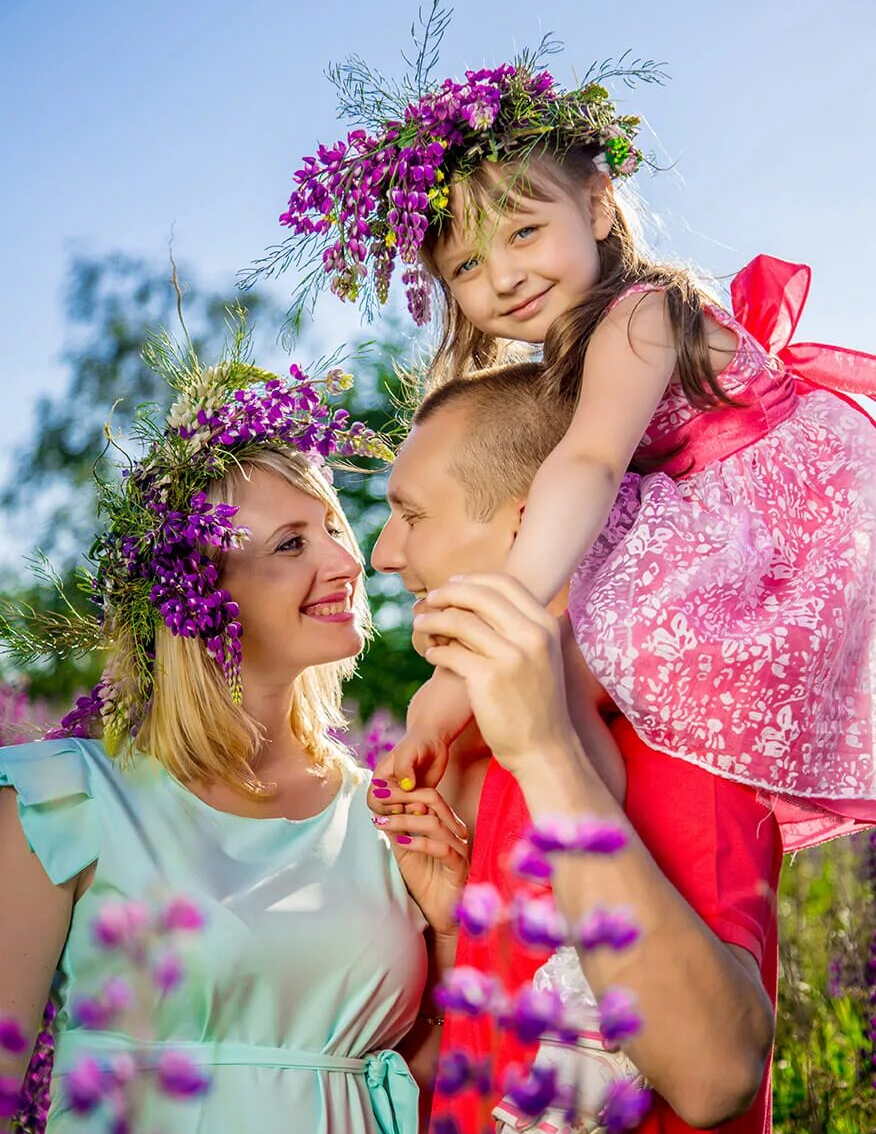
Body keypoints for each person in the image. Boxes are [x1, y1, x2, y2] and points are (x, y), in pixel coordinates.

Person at [272, 48, 876, 846]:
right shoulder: (572, 356)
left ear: (596, 206)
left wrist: (488, 632)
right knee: (586, 629)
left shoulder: (639, 315)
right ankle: (546, 808)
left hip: (807, 524)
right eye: (469, 264)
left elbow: (587, 465)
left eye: (525, 230)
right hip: (728, 527)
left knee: (610, 627)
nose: (506, 275)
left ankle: (607, 842)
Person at [0, 335, 467, 1134]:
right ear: (203, 589)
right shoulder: (67, 799)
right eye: (291, 542)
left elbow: (442, 1092)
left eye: (333, 524)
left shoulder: (390, 816)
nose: (345, 559)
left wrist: (450, 925)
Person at [369, 361, 793, 1134]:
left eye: (412, 514)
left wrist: (549, 754)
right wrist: (456, 932)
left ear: (532, 526)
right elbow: (460, 1089)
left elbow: (714, 1073)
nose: (384, 553)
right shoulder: (478, 748)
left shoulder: (677, 738)